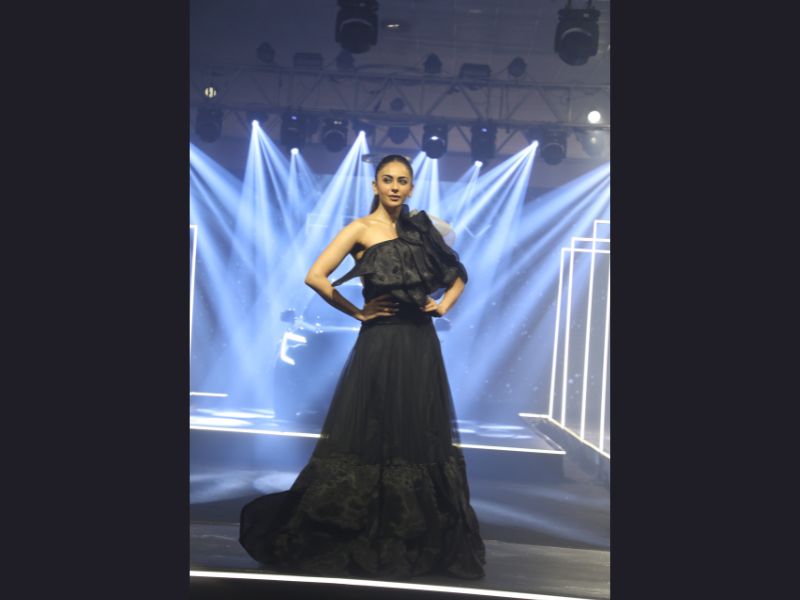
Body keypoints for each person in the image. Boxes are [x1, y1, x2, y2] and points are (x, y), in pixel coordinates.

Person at [239, 154, 486, 580]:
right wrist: (357, 312)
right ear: (375, 185)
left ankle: (411, 535)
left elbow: (458, 273)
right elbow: (315, 276)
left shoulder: (422, 229)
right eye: (387, 180)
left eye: (402, 181)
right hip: (380, 340)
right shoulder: (359, 228)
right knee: (374, 428)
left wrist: (443, 305)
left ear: (411, 187)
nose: (395, 187)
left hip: (419, 343)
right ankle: (359, 528)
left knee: (415, 430)